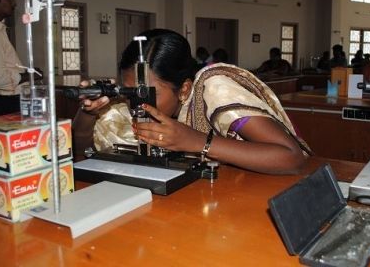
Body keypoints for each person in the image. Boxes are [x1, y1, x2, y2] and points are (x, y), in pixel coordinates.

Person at [73, 29, 311, 174]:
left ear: (184, 88)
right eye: (130, 92)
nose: (137, 104)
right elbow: (85, 154)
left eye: (148, 93)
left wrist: (197, 142)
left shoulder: (215, 87)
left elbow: (291, 158)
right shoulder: (130, 104)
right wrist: (89, 112)